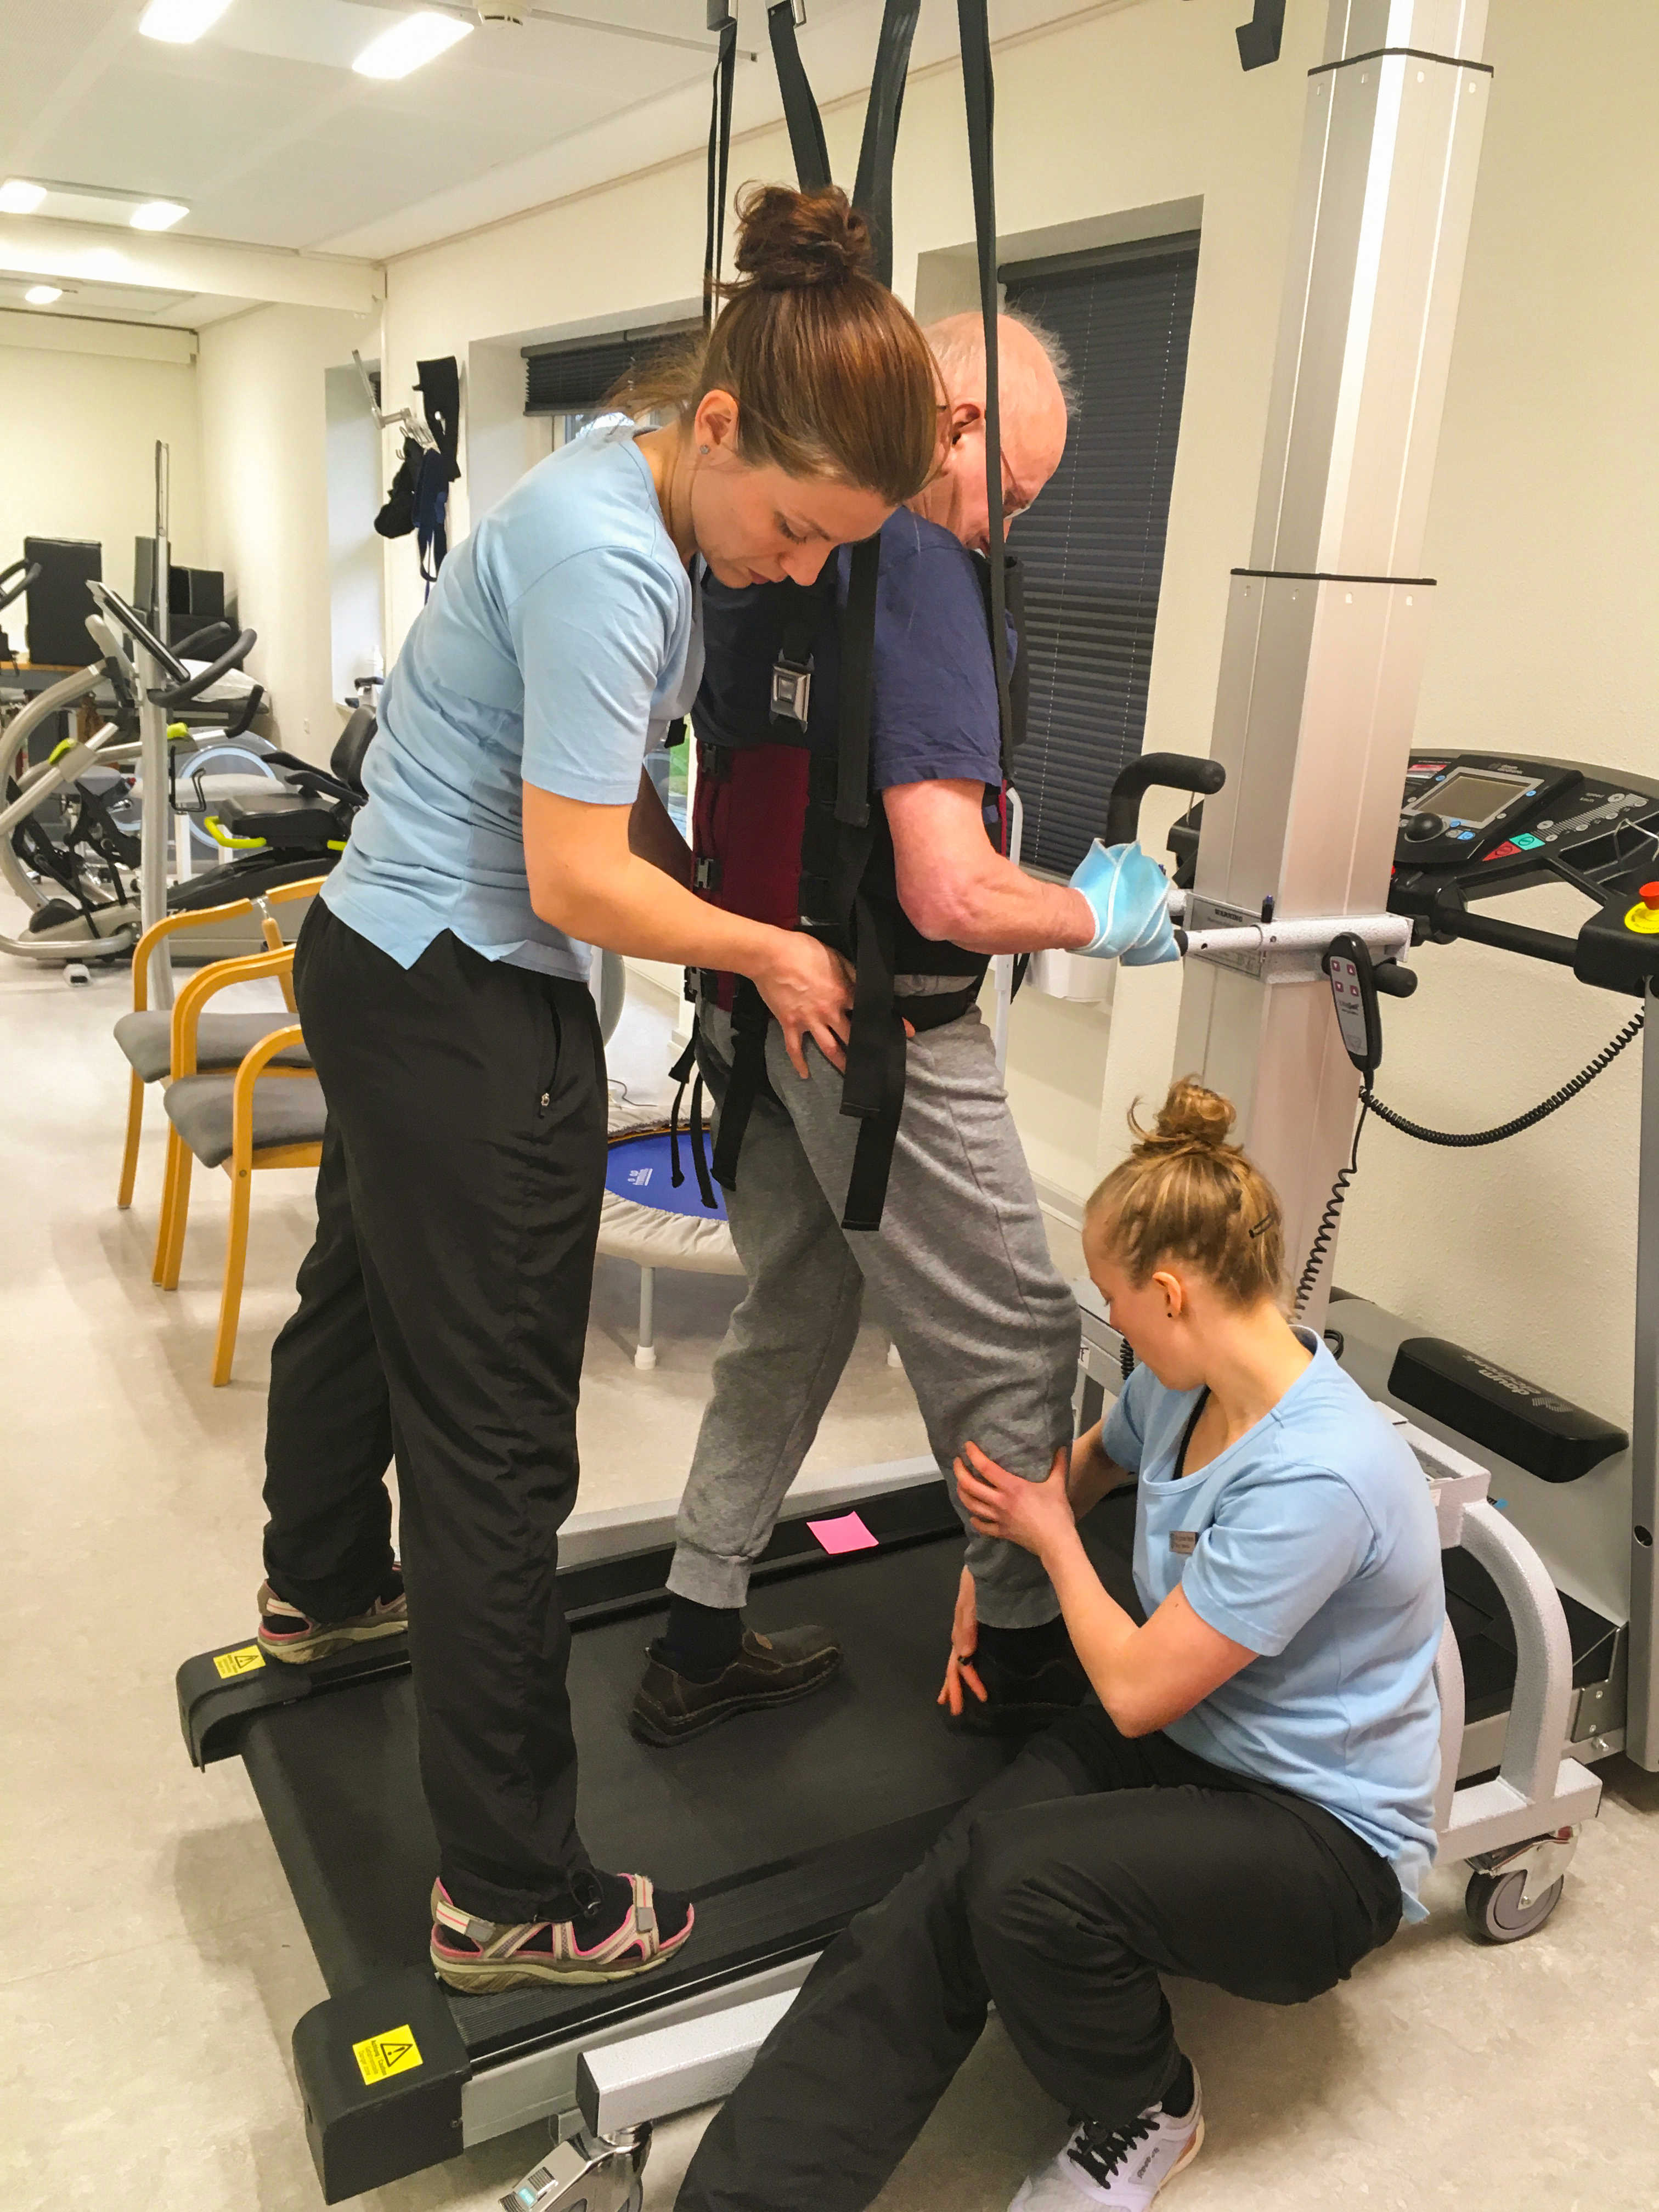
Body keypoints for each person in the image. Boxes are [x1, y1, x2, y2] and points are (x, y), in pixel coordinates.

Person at [249, 184, 943, 1996]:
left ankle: (320, 1583)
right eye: (795, 528)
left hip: (376, 949)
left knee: (358, 1291)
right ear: (718, 426)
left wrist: (708, 892)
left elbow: (606, 777)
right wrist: (765, 949)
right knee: (495, 1446)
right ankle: (510, 1895)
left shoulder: (619, 486)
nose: (798, 570)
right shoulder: (615, 564)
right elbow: (571, 877)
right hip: (468, 992)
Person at [674, 1076, 1444, 2212]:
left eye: (1116, 1301)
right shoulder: (1187, 1388)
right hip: (1195, 1745)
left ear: (1171, 1293)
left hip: (1322, 1843)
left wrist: (1048, 1540)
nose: (1113, 1322)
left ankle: (1151, 2107)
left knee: (1022, 1885)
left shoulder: (1319, 1477)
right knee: (938, 1890)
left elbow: (1131, 1690)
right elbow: (1088, 1468)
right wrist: (994, 1567)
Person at [631, 309, 1178, 1747]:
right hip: (885, 1032)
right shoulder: (919, 567)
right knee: (1016, 1337)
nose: (1006, 527)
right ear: (956, 423)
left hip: (753, 1009)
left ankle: (697, 1625)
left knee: (797, 1307)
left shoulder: (758, 549)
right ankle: (1021, 1652)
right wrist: (1102, 912)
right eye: (1015, 492)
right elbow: (950, 887)